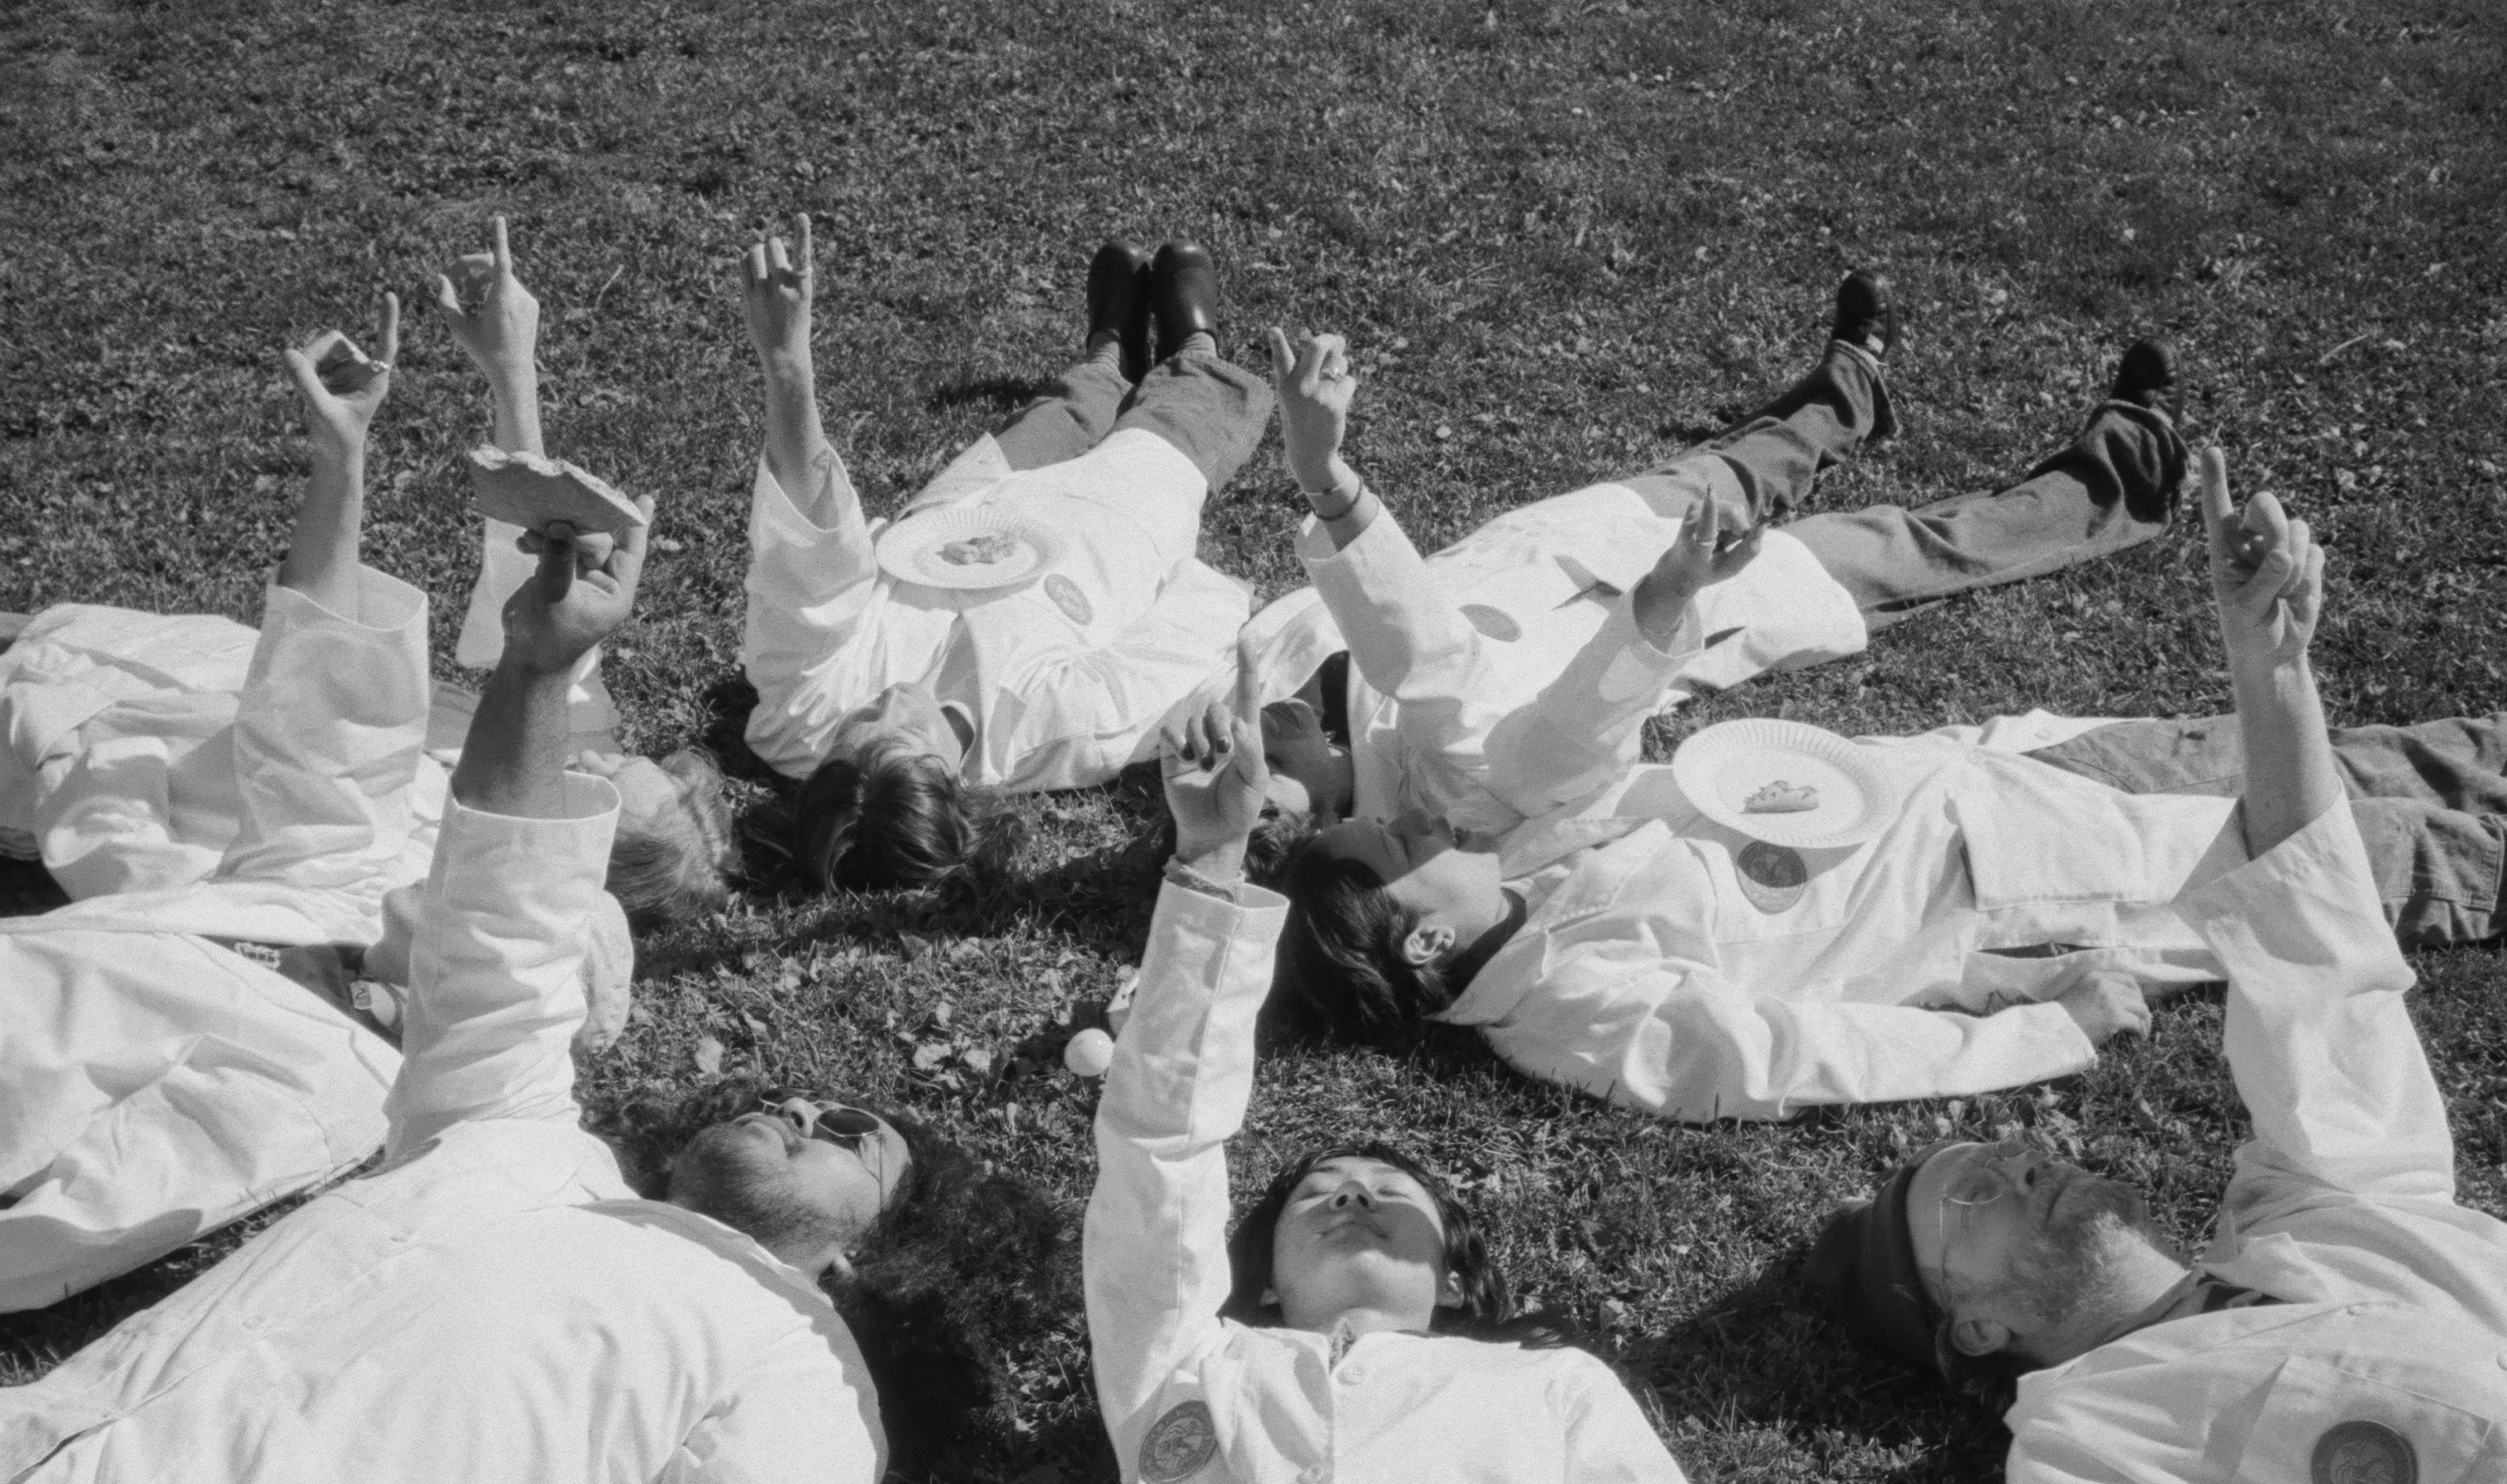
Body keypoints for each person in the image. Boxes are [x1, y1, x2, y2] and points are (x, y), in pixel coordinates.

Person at [0, 492, 1038, 1484]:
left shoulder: (803, 1377)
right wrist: (538, 674)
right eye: (821, 1095)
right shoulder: (531, 1151)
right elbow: (495, 921)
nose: (811, 1095)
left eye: (859, 1137)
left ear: (883, 1260)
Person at [945, 652, 1779, 1484]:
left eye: (1392, 1190)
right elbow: (1158, 1155)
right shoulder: (1196, 1364)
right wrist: (1209, 874)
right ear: (1263, 1274)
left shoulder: (1548, 1390)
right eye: (1318, 1195)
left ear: (1455, 1274)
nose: (1353, 1193)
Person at [1804, 464, 2507, 1484]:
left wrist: (2272, 670)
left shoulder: (2329, 1219)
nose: (2019, 1164)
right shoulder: (2088, 1460)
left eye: (2001, 1146)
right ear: (1976, 1329)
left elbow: (2316, 955)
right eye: (1971, 1200)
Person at [1257, 315, 2507, 1120]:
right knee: (2383, 858)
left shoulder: (1508, 847)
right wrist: (2048, 1031)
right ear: (1427, 947)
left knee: (2333, 756)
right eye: (1403, 845)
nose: (1416, 817)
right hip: (2033, 886)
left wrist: (1664, 597)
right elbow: (1800, 1055)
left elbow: (1557, 738)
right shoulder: (1579, 1013)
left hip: (1992, 779)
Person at [0, 293, 636, 1315]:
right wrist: (342, 457)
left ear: (485, 978)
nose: (446, 864)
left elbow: (99, 1216)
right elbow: (330, 699)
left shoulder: (332, 1091)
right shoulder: (330, 901)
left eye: (480, 900)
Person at [1236, 268, 2190, 850]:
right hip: (1679, 597)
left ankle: (1852, 386)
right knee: (1924, 547)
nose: (1237, 770)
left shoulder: (1240, 683)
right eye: (1260, 808)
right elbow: (1423, 650)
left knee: (1745, 461)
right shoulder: (1439, 787)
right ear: (1323, 823)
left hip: (1562, 542)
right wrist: (1324, 473)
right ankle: (2132, 462)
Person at [0, 219, 736, 922]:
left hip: (66, 747)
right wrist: (510, 368)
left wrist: (70, 764)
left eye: (600, 789)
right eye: (621, 761)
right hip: (157, 656)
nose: (590, 760)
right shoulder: (575, 741)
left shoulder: (405, 875)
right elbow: (544, 554)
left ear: (564, 860)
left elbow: (169, 858)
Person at [736, 219, 1272, 891]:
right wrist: (1202, 582)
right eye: (902, 733)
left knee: (1063, 414)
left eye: (855, 730)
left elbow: (808, 559)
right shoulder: (1059, 732)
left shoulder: (804, 717)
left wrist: (787, 363)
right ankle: (1197, 344)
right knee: (1180, 425)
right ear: (955, 780)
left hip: (966, 521)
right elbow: (1168, 654)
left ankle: (1111, 350)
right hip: (1107, 530)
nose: (888, 704)